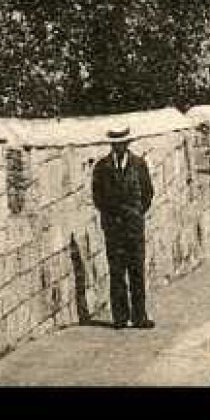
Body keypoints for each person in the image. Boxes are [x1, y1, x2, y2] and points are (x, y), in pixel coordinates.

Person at [92, 127, 155, 329]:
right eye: (115, 144)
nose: (119, 147)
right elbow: (97, 196)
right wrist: (111, 217)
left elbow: (147, 193)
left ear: (128, 144)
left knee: (136, 270)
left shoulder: (139, 165)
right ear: (111, 145)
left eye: (122, 143)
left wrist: (136, 214)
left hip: (134, 226)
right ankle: (120, 317)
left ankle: (139, 316)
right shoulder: (102, 167)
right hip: (113, 227)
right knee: (116, 271)